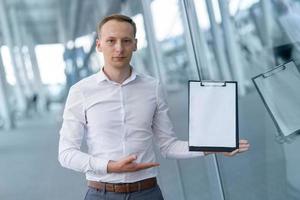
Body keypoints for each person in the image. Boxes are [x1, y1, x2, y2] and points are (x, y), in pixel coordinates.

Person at [58, 14, 250, 200]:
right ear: (99, 45)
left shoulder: (152, 87)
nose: (119, 48)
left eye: (126, 41)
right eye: (111, 41)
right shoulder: (81, 91)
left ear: (135, 44)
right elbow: (66, 154)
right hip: (101, 193)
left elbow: (168, 145)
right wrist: (109, 166)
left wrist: (213, 147)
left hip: (146, 193)